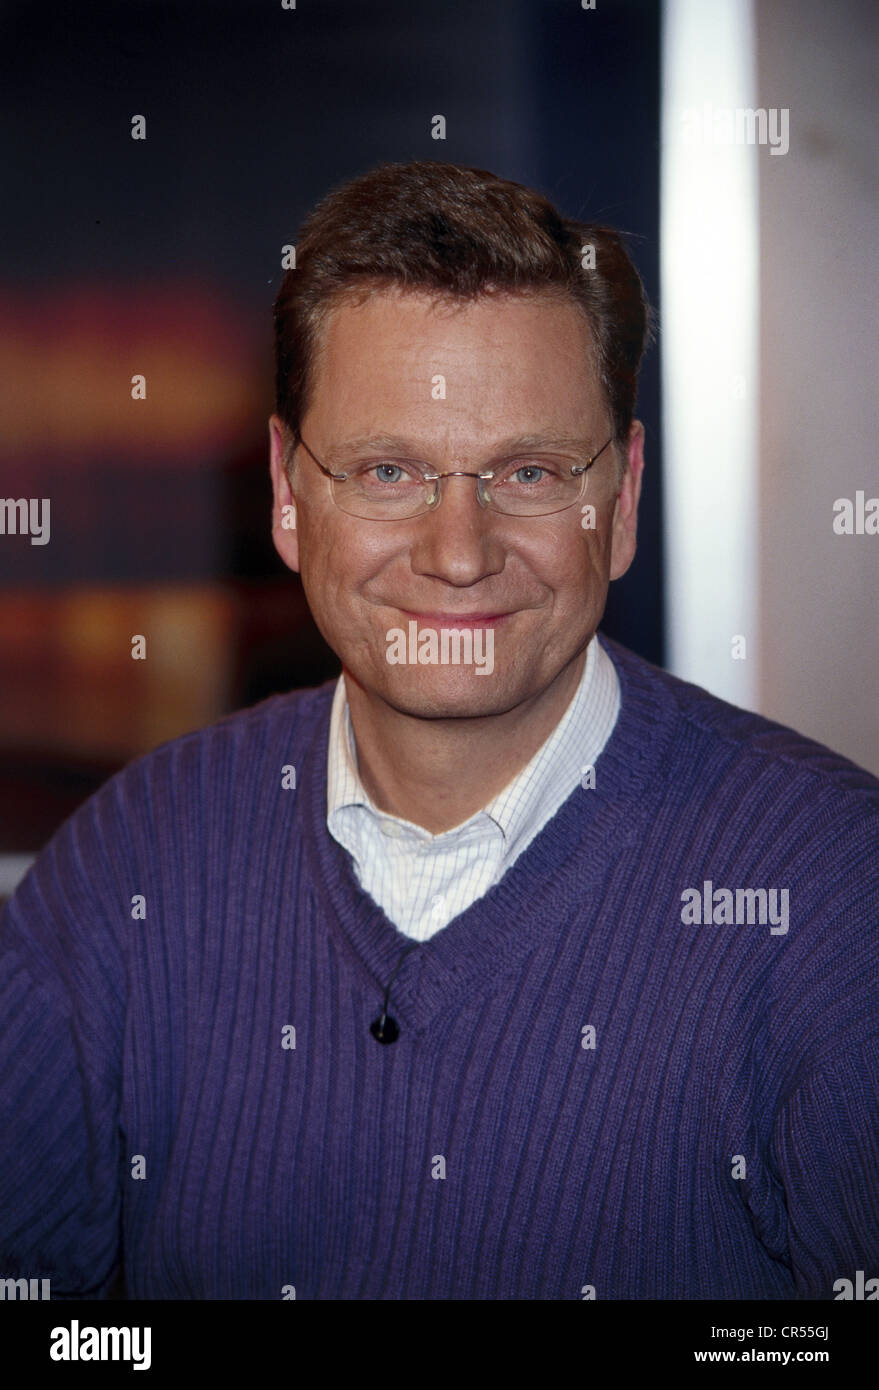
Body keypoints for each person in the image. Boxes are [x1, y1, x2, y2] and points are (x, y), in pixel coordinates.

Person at [1, 160, 877, 1301]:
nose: (457, 552)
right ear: (284, 492)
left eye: (527, 470)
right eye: (387, 470)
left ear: (619, 499)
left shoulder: (835, 896)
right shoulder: (128, 866)